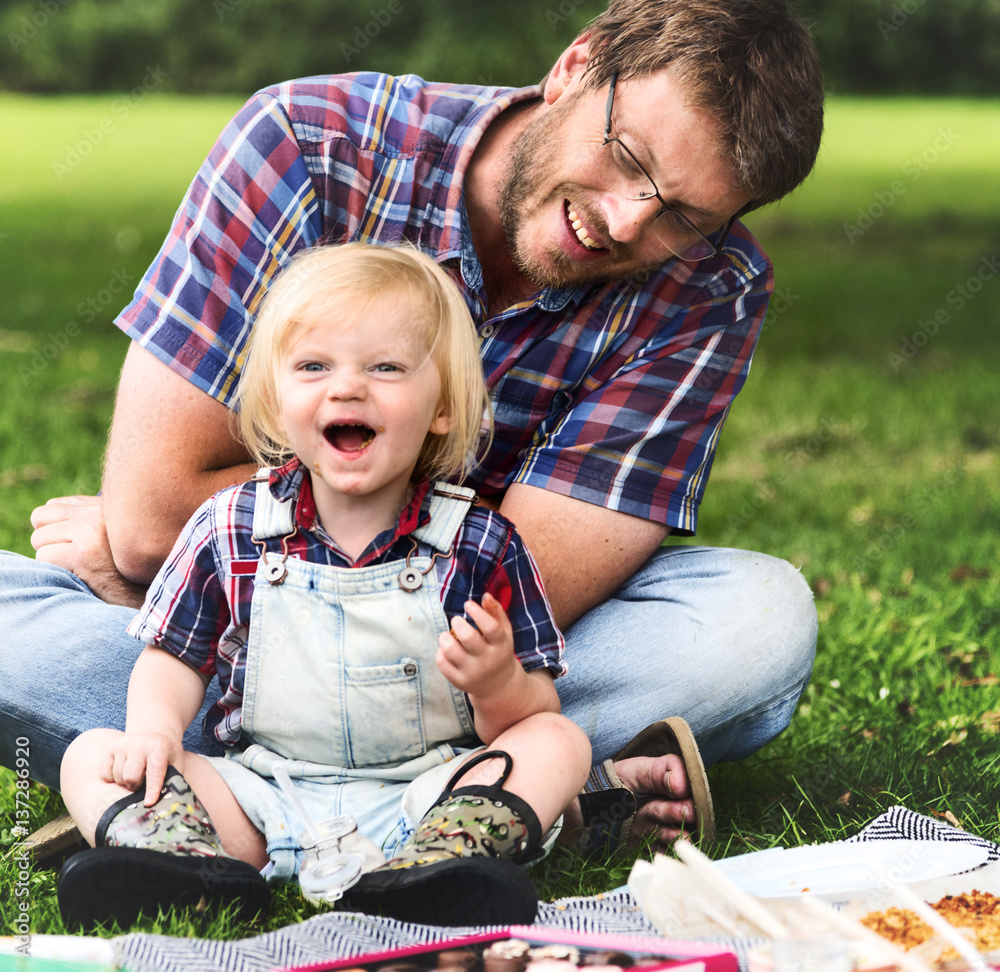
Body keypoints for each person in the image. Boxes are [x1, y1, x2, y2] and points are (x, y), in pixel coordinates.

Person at [6, 0, 823, 857]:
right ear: (575, 67)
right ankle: (529, 796)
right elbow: (154, 516)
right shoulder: (307, 142)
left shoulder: (710, 287)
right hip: (329, 660)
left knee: (754, 620)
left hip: (464, 671)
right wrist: (182, 550)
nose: (625, 222)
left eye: (685, 218)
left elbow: (523, 591)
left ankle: (194, 797)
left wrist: (194, 570)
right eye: (627, 158)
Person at [56, 243, 593, 930]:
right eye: (314, 366)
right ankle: (186, 864)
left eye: (386, 368)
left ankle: (440, 870)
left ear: (443, 409)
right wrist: (155, 733)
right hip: (262, 794)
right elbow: (174, 656)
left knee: (557, 742)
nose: (347, 388)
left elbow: (531, 708)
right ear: (278, 404)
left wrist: (497, 684)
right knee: (92, 756)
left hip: (423, 799)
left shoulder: (480, 544)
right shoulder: (230, 526)